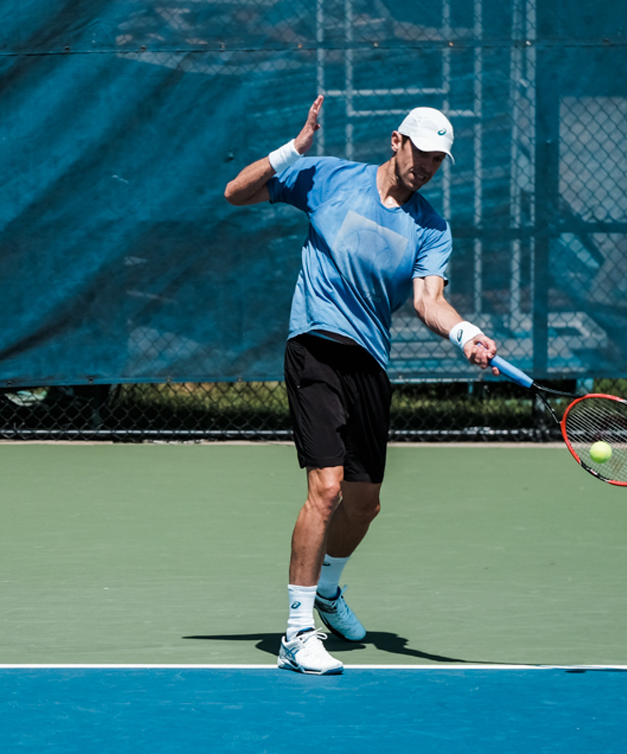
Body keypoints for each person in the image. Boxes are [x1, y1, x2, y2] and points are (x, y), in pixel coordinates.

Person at [224, 96, 499, 675]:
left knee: (364, 503)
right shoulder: (327, 177)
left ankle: (327, 590)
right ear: (397, 141)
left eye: (437, 160)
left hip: (369, 362)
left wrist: (466, 335)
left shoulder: (431, 227)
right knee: (324, 490)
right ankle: (297, 634)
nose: (426, 166)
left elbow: (429, 300)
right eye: (420, 152)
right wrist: (291, 151)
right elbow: (237, 192)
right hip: (316, 344)